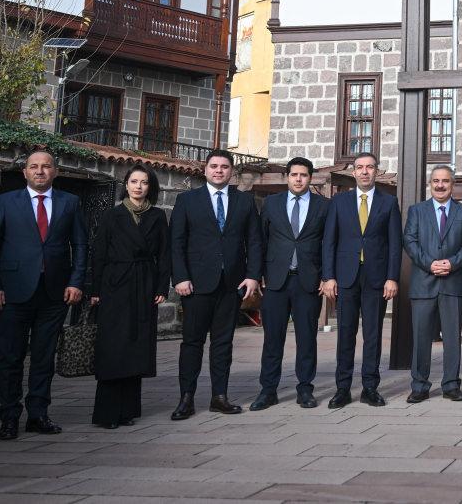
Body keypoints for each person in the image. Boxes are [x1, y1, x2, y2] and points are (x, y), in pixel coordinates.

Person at [0, 149, 86, 440]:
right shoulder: (7, 202)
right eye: (34, 166)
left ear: (55, 171)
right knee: (10, 357)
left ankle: (38, 414)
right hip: (12, 292)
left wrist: (76, 282)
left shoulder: (70, 202)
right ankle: (9, 416)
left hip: (54, 293)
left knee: (44, 357)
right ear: (24, 172)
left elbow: (80, 246)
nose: (40, 171)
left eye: (46, 166)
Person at [170, 149, 263, 420]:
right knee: (192, 342)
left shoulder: (244, 201)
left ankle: (219, 397)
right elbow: (177, 242)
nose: (219, 170)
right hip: (196, 284)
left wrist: (253, 275)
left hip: (231, 283)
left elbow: (254, 241)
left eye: (224, 166)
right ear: (205, 169)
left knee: (223, 343)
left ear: (231, 171)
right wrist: (180, 277)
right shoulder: (187, 200)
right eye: (214, 166)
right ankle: (186, 398)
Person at [88, 164, 169, 429]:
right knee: (113, 346)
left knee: (136, 345)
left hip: (144, 284)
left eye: (144, 182)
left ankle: (128, 410)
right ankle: (107, 413)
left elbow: (164, 254)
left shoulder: (157, 216)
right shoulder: (112, 215)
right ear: (126, 185)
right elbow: (99, 253)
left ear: (150, 186)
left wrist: (161, 287)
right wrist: (96, 290)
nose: (138, 187)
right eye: (134, 181)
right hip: (115, 284)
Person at [321, 152, 401, 408]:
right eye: (360, 167)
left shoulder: (389, 202)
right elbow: (329, 241)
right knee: (345, 334)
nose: (365, 171)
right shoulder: (339, 202)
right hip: (346, 277)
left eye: (370, 167)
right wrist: (328, 277)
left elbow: (395, 244)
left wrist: (392, 277)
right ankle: (342, 389)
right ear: (353, 172)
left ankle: (370, 388)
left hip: (376, 278)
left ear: (376, 171)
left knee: (373, 335)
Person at [251, 156, 329, 411]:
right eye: (294, 174)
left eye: (303, 175)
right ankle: (268, 391)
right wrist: (258, 274)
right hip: (276, 281)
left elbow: (329, 243)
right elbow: (260, 241)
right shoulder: (271, 203)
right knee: (272, 339)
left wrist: (327, 276)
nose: (298, 179)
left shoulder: (323, 206)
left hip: (308, 281)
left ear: (310, 178)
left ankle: (305, 389)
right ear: (287, 177)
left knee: (307, 339)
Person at [404, 165, 462, 402]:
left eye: (445, 181)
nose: (440, 185)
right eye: (436, 181)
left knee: (452, 338)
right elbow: (410, 241)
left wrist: (452, 263)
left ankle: (451, 385)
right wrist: (430, 264)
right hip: (423, 283)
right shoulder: (417, 211)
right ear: (430, 184)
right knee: (421, 338)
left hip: (452, 283)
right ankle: (419, 386)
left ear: (452, 184)